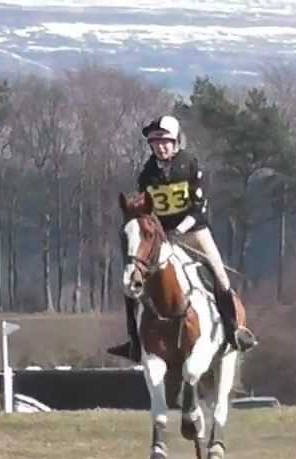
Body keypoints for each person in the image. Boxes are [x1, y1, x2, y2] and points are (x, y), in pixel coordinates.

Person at [108, 114, 258, 362]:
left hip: (193, 231)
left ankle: (234, 330)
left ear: (176, 142)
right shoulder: (147, 174)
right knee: (133, 282)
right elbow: (147, 209)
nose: (160, 147)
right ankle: (134, 341)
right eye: (155, 143)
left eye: (165, 142)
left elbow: (198, 208)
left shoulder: (190, 165)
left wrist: (179, 230)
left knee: (219, 275)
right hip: (162, 236)